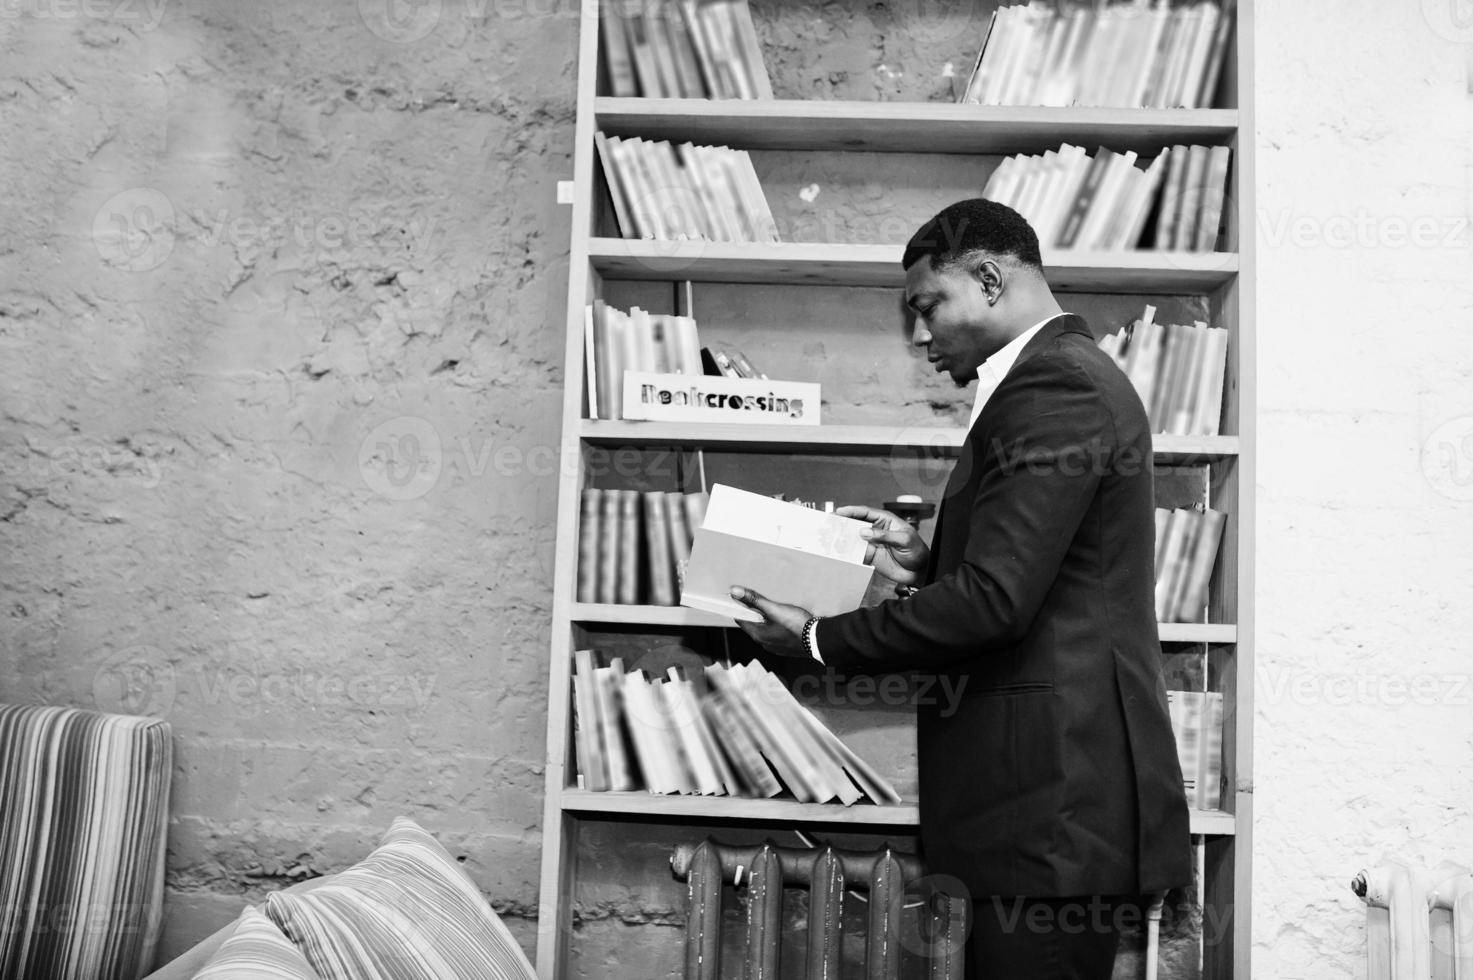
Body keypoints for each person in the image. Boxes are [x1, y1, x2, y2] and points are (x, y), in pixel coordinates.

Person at [729, 198, 1192, 980]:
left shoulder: (1057, 389)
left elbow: (992, 604)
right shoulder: (1047, 382)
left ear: (987, 277)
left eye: (925, 306)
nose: (919, 335)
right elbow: (1041, 578)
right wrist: (926, 562)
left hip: (1049, 809)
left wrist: (813, 637)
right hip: (1039, 807)